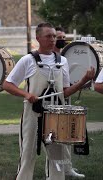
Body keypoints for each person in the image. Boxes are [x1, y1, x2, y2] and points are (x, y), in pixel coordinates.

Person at [3, 22, 94, 179]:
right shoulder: (27, 60)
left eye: (54, 36)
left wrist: (83, 80)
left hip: (57, 116)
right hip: (33, 114)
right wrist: (26, 95)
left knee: (58, 156)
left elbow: (64, 93)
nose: (52, 39)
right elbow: (7, 84)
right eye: (48, 36)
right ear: (38, 38)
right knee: (28, 153)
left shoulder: (62, 61)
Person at [54, 26, 85, 178]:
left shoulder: (64, 59)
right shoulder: (37, 58)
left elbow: (66, 84)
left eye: (63, 37)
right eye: (59, 37)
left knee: (65, 137)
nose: (62, 40)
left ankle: (67, 168)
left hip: (63, 101)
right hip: (44, 103)